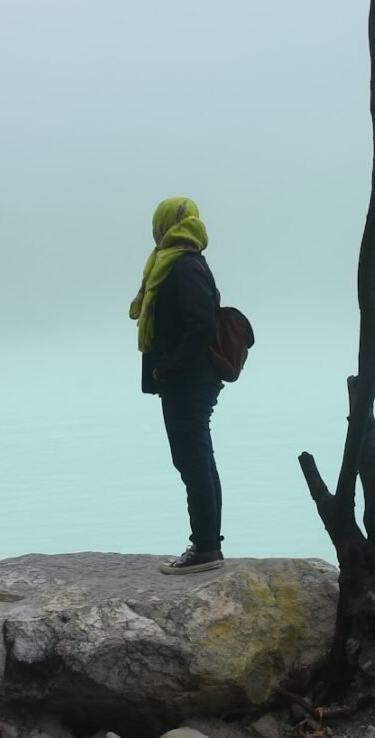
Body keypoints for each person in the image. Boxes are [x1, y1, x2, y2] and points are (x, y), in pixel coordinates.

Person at [130, 197, 224, 575]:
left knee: (193, 460)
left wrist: (169, 368)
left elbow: (201, 324)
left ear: (167, 224)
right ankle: (207, 543)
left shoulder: (183, 266)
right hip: (188, 379)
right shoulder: (181, 262)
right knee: (196, 458)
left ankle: (204, 548)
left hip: (189, 380)